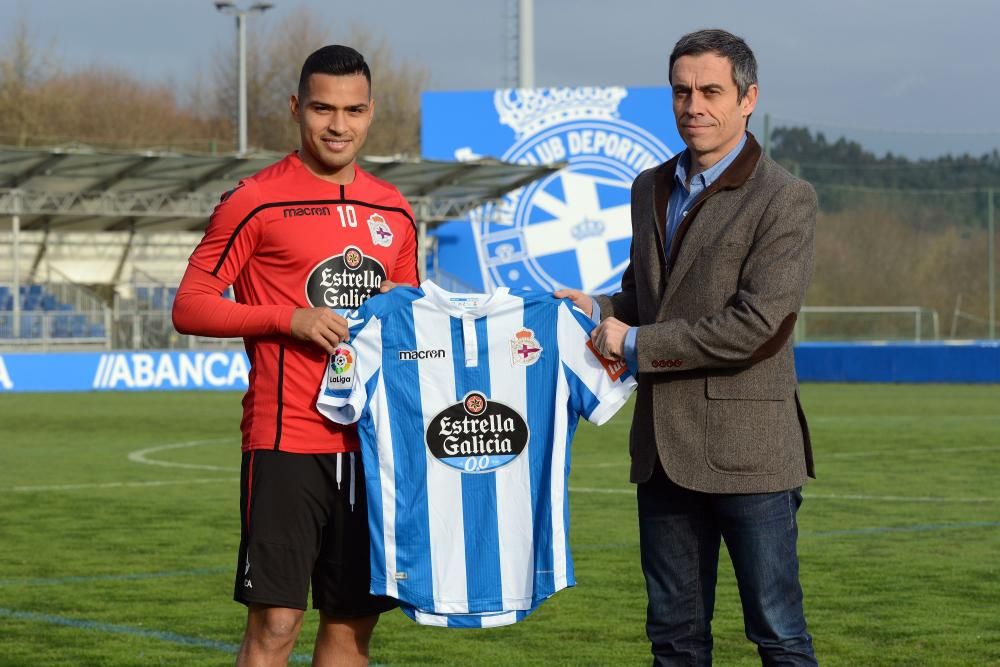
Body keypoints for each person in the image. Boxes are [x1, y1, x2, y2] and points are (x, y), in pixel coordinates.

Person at [556, 29, 818, 666]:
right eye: (681, 91)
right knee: (673, 642)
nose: (693, 105)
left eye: (710, 91)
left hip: (751, 457)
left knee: (778, 635)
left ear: (748, 98)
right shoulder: (649, 187)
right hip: (662, 456)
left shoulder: (786, 198)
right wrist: (600, 311)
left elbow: (756, 325)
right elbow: (643, 299)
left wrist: (638, 340)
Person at [173, 45, 418, 666]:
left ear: (371, 112)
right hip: (285, 441)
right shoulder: (254, 200)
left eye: (354, 110)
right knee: (276, 625)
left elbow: (412, 321)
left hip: (371, 447)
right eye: (323, 109)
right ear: (295, 109)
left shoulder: (394, 208)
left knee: (350, 628)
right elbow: (191, 305)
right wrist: (288, 318)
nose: (339, 125)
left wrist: (403, 306)